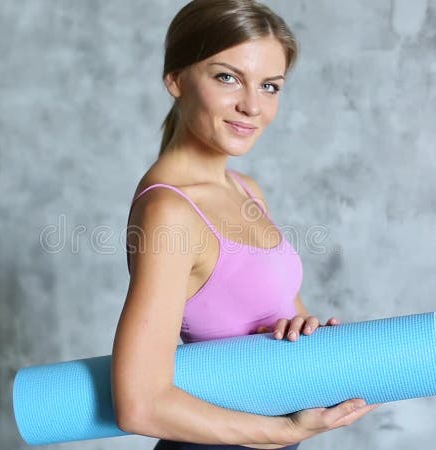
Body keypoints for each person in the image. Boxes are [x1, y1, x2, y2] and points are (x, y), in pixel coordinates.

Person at [111, 1, 380, 448]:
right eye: (227, 77)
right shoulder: (170, 211)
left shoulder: (245, 189)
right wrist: (283, 431)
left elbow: (277, 315)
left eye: (270, 85)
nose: (252, 105)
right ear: (175, 79)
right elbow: (138, 402)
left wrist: (302, 335)